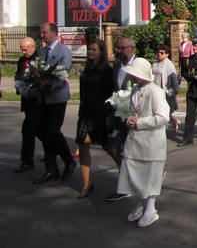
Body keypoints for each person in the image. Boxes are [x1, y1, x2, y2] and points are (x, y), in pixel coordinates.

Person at [117, 58, 169, 227]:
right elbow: (133, 112)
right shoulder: (135, 90)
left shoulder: (155, 92)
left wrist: (139, 122)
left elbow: (162, 117)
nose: (132, 77)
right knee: (135, 174)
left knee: (151, 175)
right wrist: (129, 121)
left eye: (135, 74)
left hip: (152, 143)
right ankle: (140, 204)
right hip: (135, 141)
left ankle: (151, 209)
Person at [75, 40, 119, 199]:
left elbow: (109, 95)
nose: (90, 52)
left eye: (94, 49)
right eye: (89, 49)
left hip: (100, 113)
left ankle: (127, 173)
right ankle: (87, 184)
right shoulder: (87, 68)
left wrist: (108, 116)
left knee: (107, 146)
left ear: (101, 52)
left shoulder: (106, 70)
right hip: (86, 113)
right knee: (83, 144)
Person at [33, 23, 75, 185]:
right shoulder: (41, 52)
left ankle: (68, 160)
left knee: (53, 131)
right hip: (43, 97)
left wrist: (49, 81)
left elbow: (64, 71)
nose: (41, 35)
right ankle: (51, 169)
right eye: (41, 32)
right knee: (42, 130)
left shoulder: (63, 51)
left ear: (53, 33)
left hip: (57, 97)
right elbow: (35, 69)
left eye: (44, 32)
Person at [106, 35, 138, 202]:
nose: (118, 51)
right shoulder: (117, 65)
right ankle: (126, 182)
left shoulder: (139, 65)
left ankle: (130, 183)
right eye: (117, 48)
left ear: (131, 49)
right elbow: (115, 89)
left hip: (134, 116)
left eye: (121, 48)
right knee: (117, 148)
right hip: (119, 114)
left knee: (130, 151)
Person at [13, 37, 39, 174]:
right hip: (27, 101)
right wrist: (19, 87)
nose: (23, 52)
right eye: (21, 50)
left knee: (29, 130)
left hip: (38, 102)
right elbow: (18, 76)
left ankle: (27, 161)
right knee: (38, 131)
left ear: (33, 47)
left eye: (25, 49)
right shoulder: (22, 61)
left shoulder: (39, 59)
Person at [152, 45, 179, 132]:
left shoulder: (169, 64)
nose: (159, 54)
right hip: (154, 89)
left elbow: (174, 79)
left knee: (162, 110)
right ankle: (174, 121)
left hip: (163, 91)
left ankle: (162, 128)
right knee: (157, 109)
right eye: (158, 52)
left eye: (162, 53)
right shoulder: (155, 63)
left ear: (167, 54)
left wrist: (173, 90)